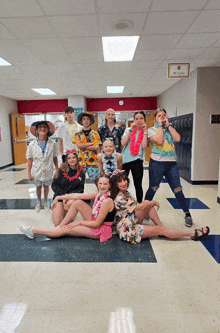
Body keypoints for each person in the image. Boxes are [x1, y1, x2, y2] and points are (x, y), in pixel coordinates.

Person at [110, 170, 210, 244]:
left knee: (147, 204)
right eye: (120, 181)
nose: (124, 183)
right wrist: (153, 202)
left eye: (125, 180)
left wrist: (150, 203)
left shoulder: (125, 192)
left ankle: (163, 229)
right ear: (115, 184)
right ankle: (192, 234)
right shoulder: (120, 198)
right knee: (157, 226)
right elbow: (139, 207)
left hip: (129, 219)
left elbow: (140, 205)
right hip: (128, 230)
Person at [19, 175, 115, 243]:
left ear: (110, 186)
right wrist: (59, 197)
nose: (102, 186)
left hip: (100, 229)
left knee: (67, 229)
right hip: (95, 220)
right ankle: (59, 227)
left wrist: (79, 222)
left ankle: (33, 231)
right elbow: (77, 196)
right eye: (100, 183)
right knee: (77, 202)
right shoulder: (97, 193)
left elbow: (97, 224)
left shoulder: (107, 201)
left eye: (105, 184)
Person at [144, 108, 193, 227]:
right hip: (157, 163)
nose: (162, 117)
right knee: (153, 188)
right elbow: (160, 141)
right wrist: (160, 126)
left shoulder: (170, 129)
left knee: (178, 189)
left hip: (171, 164)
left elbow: (178, 139)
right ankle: (144, 209)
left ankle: (187, 214)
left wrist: (169, 126)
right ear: (155, 118)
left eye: (164, 115)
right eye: (159, 115)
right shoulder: (152, 130)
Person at [27, 120, 59, 213]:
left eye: (44, 127)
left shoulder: (52, 143)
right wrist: (29, 173)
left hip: (48, 170)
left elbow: (55, 157)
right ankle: (38, 202)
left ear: (48, 129)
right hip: (36, 170)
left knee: (46, 186)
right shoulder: (32, 144)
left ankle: (45, 201)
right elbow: (30, 159)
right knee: (38, 187)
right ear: (36, 130)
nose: (42, 129)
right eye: (40, 127)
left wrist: (57, 170)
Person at [51, 149, 85, 226]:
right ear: (66, 160)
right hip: (60, 196)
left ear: (77, 158)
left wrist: (70, 197)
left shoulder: (81, 172)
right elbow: (54, 185)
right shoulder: (60, 171)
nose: (72, 160)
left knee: (69, 206)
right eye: (69, 158)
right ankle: (61, 210)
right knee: (57, 223)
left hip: (72, 198)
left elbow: (80, 189)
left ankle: (68, 210)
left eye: (74, 157)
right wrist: (63, 196)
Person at [121, 111, 148, 203]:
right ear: (133, 120)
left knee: (138, 184)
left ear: (144, 120)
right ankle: (121, 202)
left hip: (137, 160)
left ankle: (140, 204)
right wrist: (130, 130)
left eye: (141, 118)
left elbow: (144, 146)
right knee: (122, 183)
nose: (139, 121)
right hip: (125, 161)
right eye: (136, 119)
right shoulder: (128, 129)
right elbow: (123, 143)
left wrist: (145, 132)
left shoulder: (145, 132)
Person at [73, 112, 102, 185]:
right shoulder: (78, 134)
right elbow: (79, 146)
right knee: (79, 183)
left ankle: (100, 195)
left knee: (98, 183)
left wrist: (83, 145)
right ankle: (79, 196)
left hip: (93, 162)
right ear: (81, 121)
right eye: (84, 119)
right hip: (81, 162)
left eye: (88, 119)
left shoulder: (95, 134)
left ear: (91, 121)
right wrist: (91, 143)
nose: (86, 121)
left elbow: (96, 147)